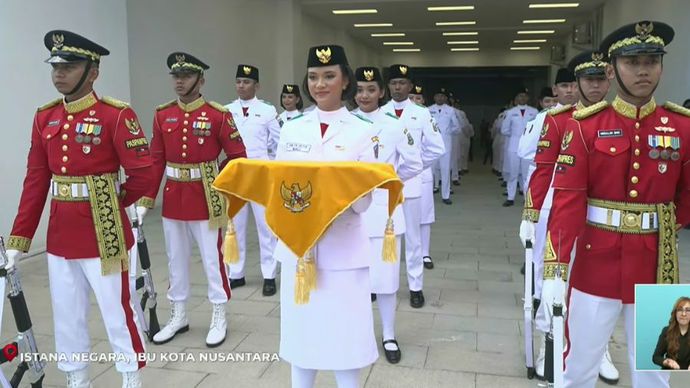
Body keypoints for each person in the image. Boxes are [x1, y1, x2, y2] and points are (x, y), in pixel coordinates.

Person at [543, 21, 689, 388]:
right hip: (597, 260)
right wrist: (555, 268)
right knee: (579, 366)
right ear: (612, 70)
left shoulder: (682, 127)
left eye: (652, 61)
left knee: (658, 369)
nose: (643, 70)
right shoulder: (585, 127)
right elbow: (568, 200)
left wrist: (665, 228)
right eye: (632, 61)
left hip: (657, 264)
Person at [4, 30, 150, 388]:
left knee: (118, 310)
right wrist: (18, 241)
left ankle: (130, 377)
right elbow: (36, 181)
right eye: (55, 66)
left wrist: (113, 203)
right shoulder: (44, 117)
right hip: (61, 234)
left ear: (93, 71)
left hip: (106, 232)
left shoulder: (115, 115)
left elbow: (143, 175)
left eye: (69, 66)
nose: (59, 74)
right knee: (67, 316)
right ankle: (77, 379)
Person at [274, 44, 377, 388]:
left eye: (329, 76)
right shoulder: (292, 128)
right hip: (299, 250)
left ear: (345, 80)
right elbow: (279, 185)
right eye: (314, 77)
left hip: (343, 248)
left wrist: (326, 202)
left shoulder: (362, 130)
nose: (320, 84)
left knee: (345, 340)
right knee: (302, 339)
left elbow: (364, 201)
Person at [519, 54, 620, 383]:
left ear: (610, 79)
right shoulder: (562, 119)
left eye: (600, 79)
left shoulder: (639, 121)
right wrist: (531, 213)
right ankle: (551, 341)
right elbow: (544, 169)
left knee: (606, 298)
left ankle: (600, 347)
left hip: (633, 235)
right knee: (556, 286)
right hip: (569, 215)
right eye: (586, 80)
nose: (594, 86)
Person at [137, 52, 246, 347]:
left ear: (201, 79)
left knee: (213, 259)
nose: (180, 81)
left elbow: (238, 157)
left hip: (206, 198)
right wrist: (147, 199)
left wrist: (217, 181)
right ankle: (179, 314)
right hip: (174, 197)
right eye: (176, 76)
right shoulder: (163, 114)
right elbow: (156, 159)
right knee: (175, 259)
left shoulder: (218, 114)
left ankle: (219, 313)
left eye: (186, 76)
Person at [352, 66, 423, 364]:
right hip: (351, 214)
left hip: (385, 216)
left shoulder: (394, 125)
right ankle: (357, 332)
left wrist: (389, 182)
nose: (364, 95)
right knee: (353, 279)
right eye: (359, 90)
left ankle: (389, 333)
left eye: (371, 90)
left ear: (381, 92)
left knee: (386, 279)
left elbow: (413, 163)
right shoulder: (346, 124)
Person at [381, 65, 445, 305]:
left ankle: (415, 286)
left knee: (413, 239)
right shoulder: (379, 112)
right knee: (385, 237)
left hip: (411, 184)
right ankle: (383, 285)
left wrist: (415, 166)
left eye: (402, 83)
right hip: (384, 185)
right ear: (388, 86)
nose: (398, 87)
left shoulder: (422, 113)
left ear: (410, 87)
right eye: (394, 82)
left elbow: (437, 147)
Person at [225, 64, 281, 295]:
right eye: (238, 81)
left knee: (265, 227)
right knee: (234, 226)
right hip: (237, 174)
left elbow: (277, 143)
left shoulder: (267, 111)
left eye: (246, 82)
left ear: (256, 85)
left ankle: (269, 275)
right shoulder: (226, 110)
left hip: (260, 174)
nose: (241, 85)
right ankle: (235, 273)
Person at [501, 88, 538, 206]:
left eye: (524, 96)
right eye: (519, 96)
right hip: (514, 145)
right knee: (513, 172)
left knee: (527, 173)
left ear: (528, 98)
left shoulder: (534, 111)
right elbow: (504, 130)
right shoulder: (510, 112)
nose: (522, 98)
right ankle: (510, 197)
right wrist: (516, 135)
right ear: (516, 99)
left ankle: (527, 198)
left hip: (529, 146)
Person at [430, 88, 461, 205]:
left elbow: (457, 127)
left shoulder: (451, 110)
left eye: (442, 96)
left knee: (445, 169)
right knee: (431, 170)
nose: (440, 98)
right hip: (431, 144)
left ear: (446, 98)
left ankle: (446, 195)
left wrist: (447, 131)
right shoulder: (428, 110)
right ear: (434, 97)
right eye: (438, 96)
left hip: (446, 144)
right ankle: (430, 192)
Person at [653, 296, 690, 370]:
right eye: (680, 310)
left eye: (688, 310)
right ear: (675, 313)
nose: (683, 314)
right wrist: (666, 362)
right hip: (669, 374)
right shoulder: (666, 331)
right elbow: (656, 357)